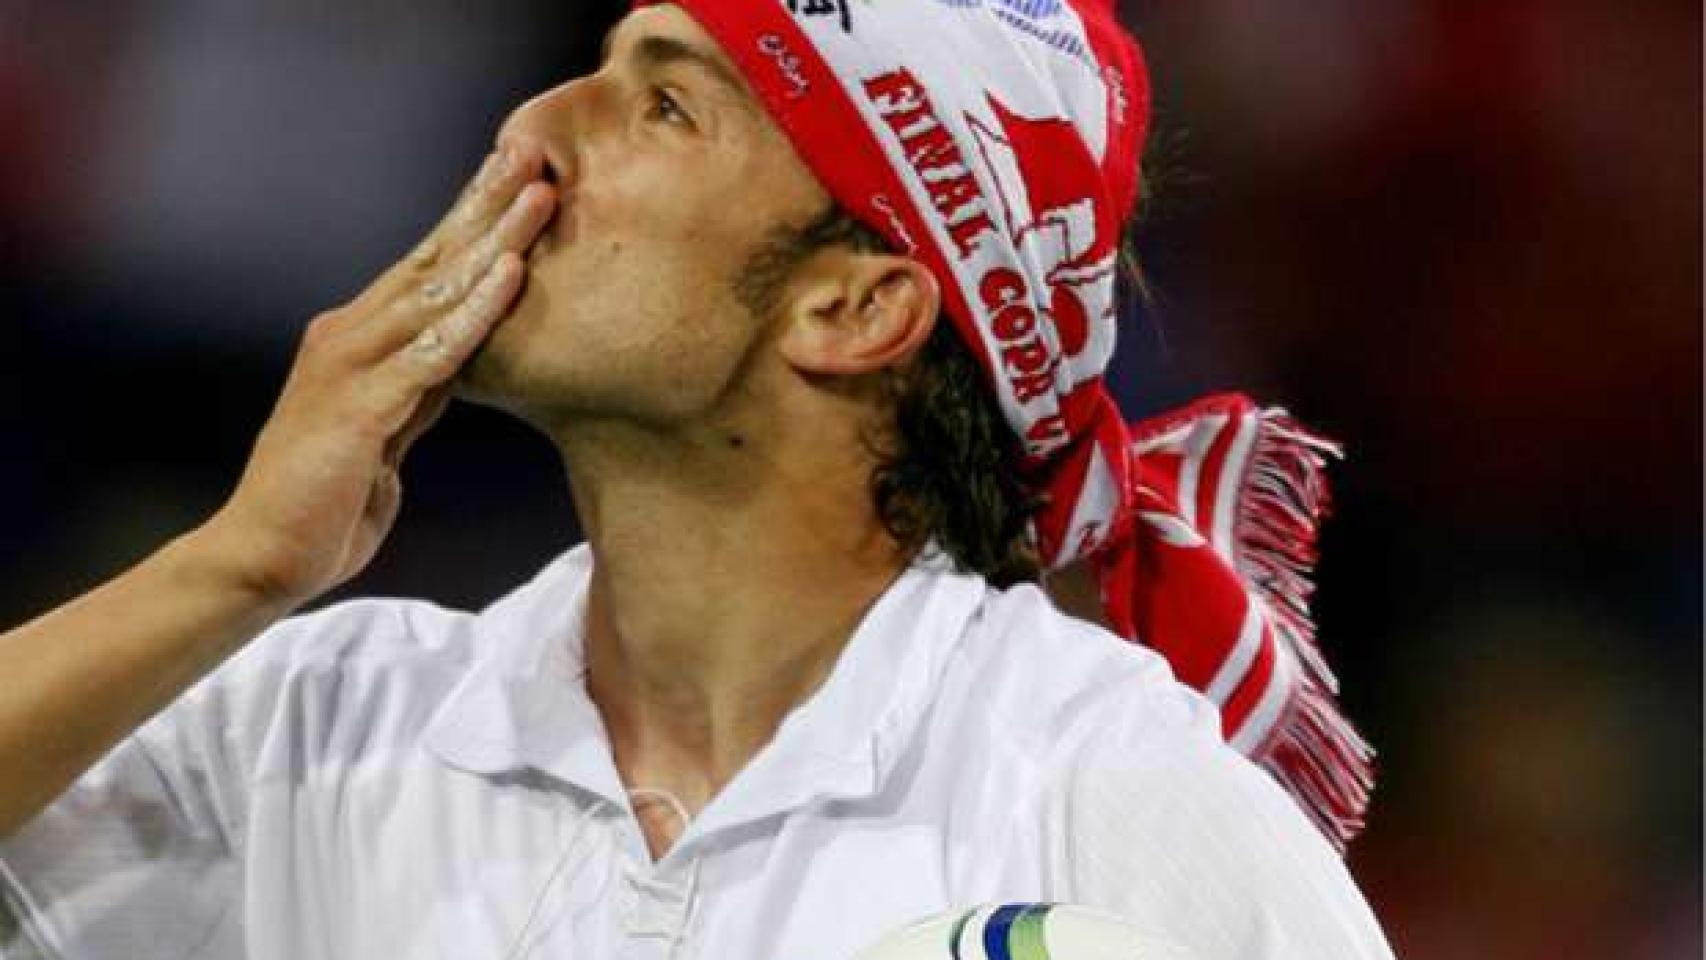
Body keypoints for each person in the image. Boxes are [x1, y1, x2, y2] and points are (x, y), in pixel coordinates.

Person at [0, 2, 1394, 958]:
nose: (533, 128)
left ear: (854, 308)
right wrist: (234, 565)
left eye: (663, 105)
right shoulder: (316, 729)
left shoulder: (1098, 786)